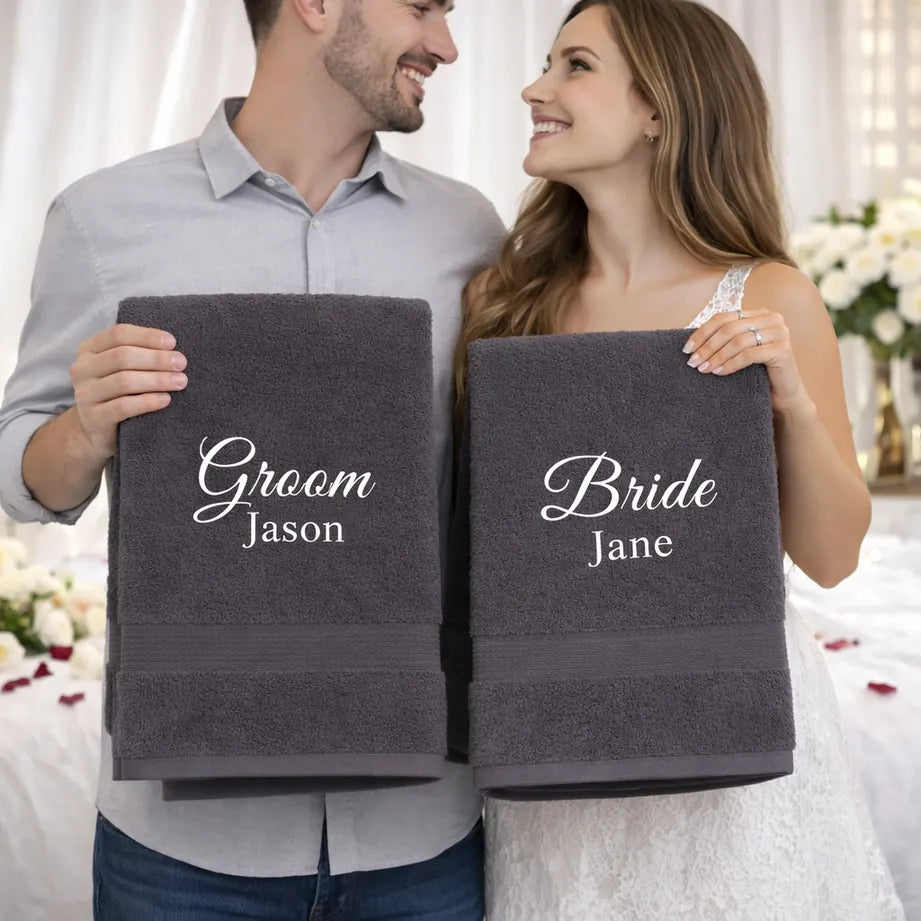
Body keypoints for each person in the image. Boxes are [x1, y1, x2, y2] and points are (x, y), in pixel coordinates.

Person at [0, 1, 506, 919]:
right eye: (422, 6)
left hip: (421, 842)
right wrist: (83, 430)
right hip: (183, 862)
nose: (445, 43)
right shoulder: (104, 219)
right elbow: (20, 474)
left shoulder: (470, 235)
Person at [454, 1, 906, 918]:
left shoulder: (767, 294)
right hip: (554, 733)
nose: (533, 87)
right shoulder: (502, 300)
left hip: (730, 747)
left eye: (573, 65)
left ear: (660, 106)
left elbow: (828, 555)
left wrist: (789, 399)